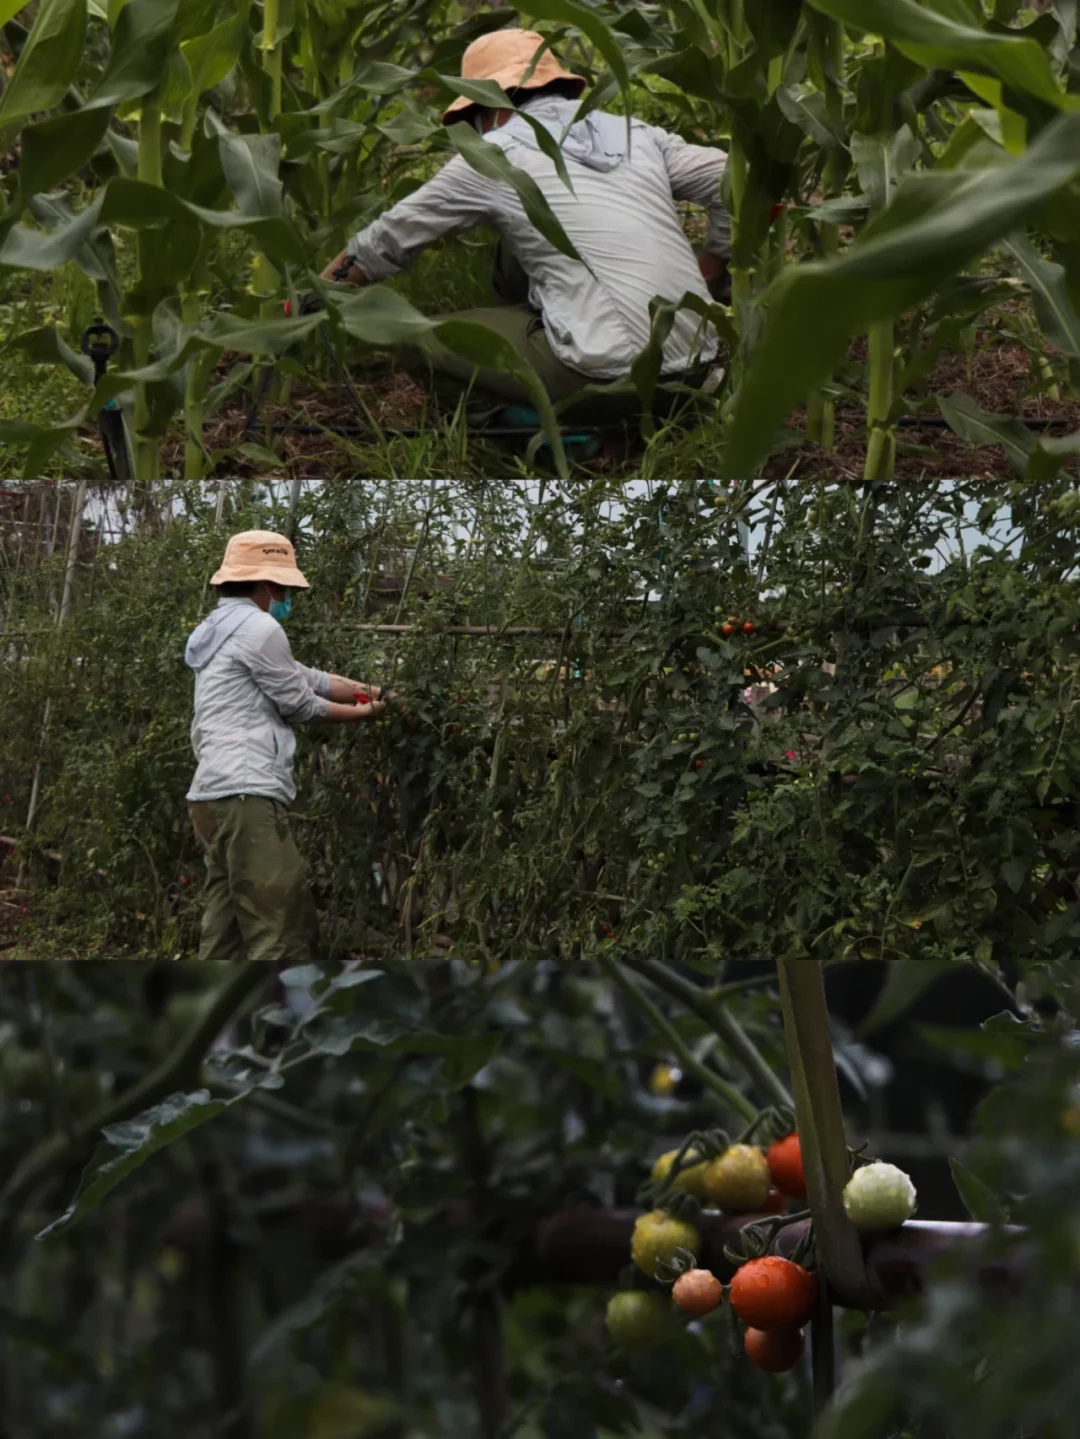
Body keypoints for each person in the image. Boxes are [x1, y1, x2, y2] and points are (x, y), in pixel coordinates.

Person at [320, 28, 731, 422]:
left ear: (486, 103)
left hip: (610, 380)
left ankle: (559, 434)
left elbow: (384, 242)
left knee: (412, 335)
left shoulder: (492, 155)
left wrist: (303, 303)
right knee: (514, 244)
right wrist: (713, 262)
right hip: (698, 367)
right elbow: (733, 179)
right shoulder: (635, 134)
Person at [184, 530, 390, 963]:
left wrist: (375, 691)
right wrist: (365, 714)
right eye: (282, 588)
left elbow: (307, 677)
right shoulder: (260, 628)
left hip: (210, 796)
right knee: (278, 924)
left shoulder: (218, 628)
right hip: (247, 794)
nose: (285, 597)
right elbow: (299, 703)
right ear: (263, 584)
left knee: (223, 931)